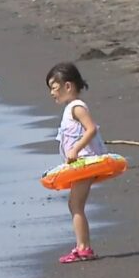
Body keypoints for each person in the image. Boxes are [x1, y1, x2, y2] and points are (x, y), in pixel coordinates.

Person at [46, 62, 107, 264]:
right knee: (75, 205)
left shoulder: (77, 107)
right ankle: (82, 246)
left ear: (68, 86)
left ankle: (83, 248)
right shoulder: (70, 109)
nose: (52, 93)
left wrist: (76, 149)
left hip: (85, 163)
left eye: (54, 88)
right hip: (78, 165)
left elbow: (91, 129)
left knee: (76, 205)